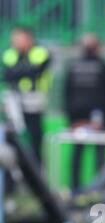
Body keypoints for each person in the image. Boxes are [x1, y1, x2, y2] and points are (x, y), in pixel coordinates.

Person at [64, 33, 105, 191]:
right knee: (98, 154)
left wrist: (71, 118)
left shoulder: (73, 66)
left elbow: (66, 94)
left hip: (79, 118)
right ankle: (97, 190)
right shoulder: (104, 66)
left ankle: (76, 189)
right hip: (97, 118)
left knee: (80, 153)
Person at [2, 26, 52, 165]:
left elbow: (34, 72)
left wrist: (21, 71)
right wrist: (25, 70)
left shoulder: (41, 52)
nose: (16, 42)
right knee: (12, 139)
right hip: (14, 102)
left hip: (34, 102)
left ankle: (36, 173)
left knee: (35, 139)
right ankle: (12, 181)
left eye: (20, 38)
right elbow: (8, 74)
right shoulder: (9, 54)